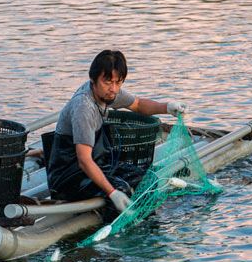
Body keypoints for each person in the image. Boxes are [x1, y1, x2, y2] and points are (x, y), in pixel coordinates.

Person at [45, 50, 187, 217]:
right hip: (68, 177)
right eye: (107, 82)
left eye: (118, 82)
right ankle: (116, 233)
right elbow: (84, 161)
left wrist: (167, 107)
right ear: (93, 79)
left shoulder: (108, 93)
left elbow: (138, 104)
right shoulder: (84, 107)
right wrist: (113, 192)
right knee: (121, 188)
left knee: (147, 179)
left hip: (97, 164)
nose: (113, 89)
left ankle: (143, 224)